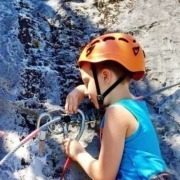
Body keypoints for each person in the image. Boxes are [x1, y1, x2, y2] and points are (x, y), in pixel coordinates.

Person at [63, 33, 170, 180]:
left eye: (87, 82)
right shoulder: (136, 107)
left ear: (106, 76)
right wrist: (81, 90)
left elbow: (103, 176)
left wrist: (78, 153)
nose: (87, 91)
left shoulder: (116, 114)